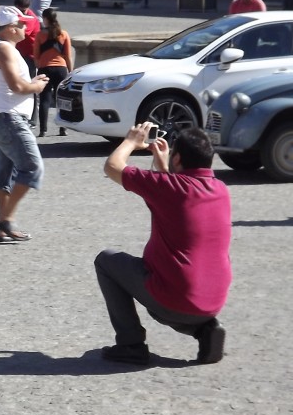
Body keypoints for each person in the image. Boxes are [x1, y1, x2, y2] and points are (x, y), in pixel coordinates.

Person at [97, 123, 232, 365]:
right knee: (174, 294)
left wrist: (131, 141)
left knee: (106, 260)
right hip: (213, 300)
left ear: (177, 158)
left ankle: (131, 344)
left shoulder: (169, 189)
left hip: (175, 299)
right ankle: (205, 330)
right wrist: (163, 167)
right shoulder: (220, 190)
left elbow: (112, 167)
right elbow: (180, 196)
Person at [0, 7, 49, 242]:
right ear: (12, 28)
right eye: (22, 25)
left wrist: (31, 82)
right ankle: (7, 219)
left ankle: (4, 228)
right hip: (9, 119)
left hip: (1, 118)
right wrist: (36, 87)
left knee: (5, 174)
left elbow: (15, 84)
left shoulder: (2, 48)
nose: (25, 28)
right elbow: (17, 87)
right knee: (32, 168)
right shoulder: (4, 50)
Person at [34, 9, 73, 138]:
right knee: (61, 100)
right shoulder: (64, 34)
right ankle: (63, 128)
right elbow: (67, 55)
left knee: (45, 99)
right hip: (61, 69)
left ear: (45, 19)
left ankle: (43, 130)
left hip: (45, 69)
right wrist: (70, 71)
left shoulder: (40, 35)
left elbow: (36, 55)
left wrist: (39, 66)